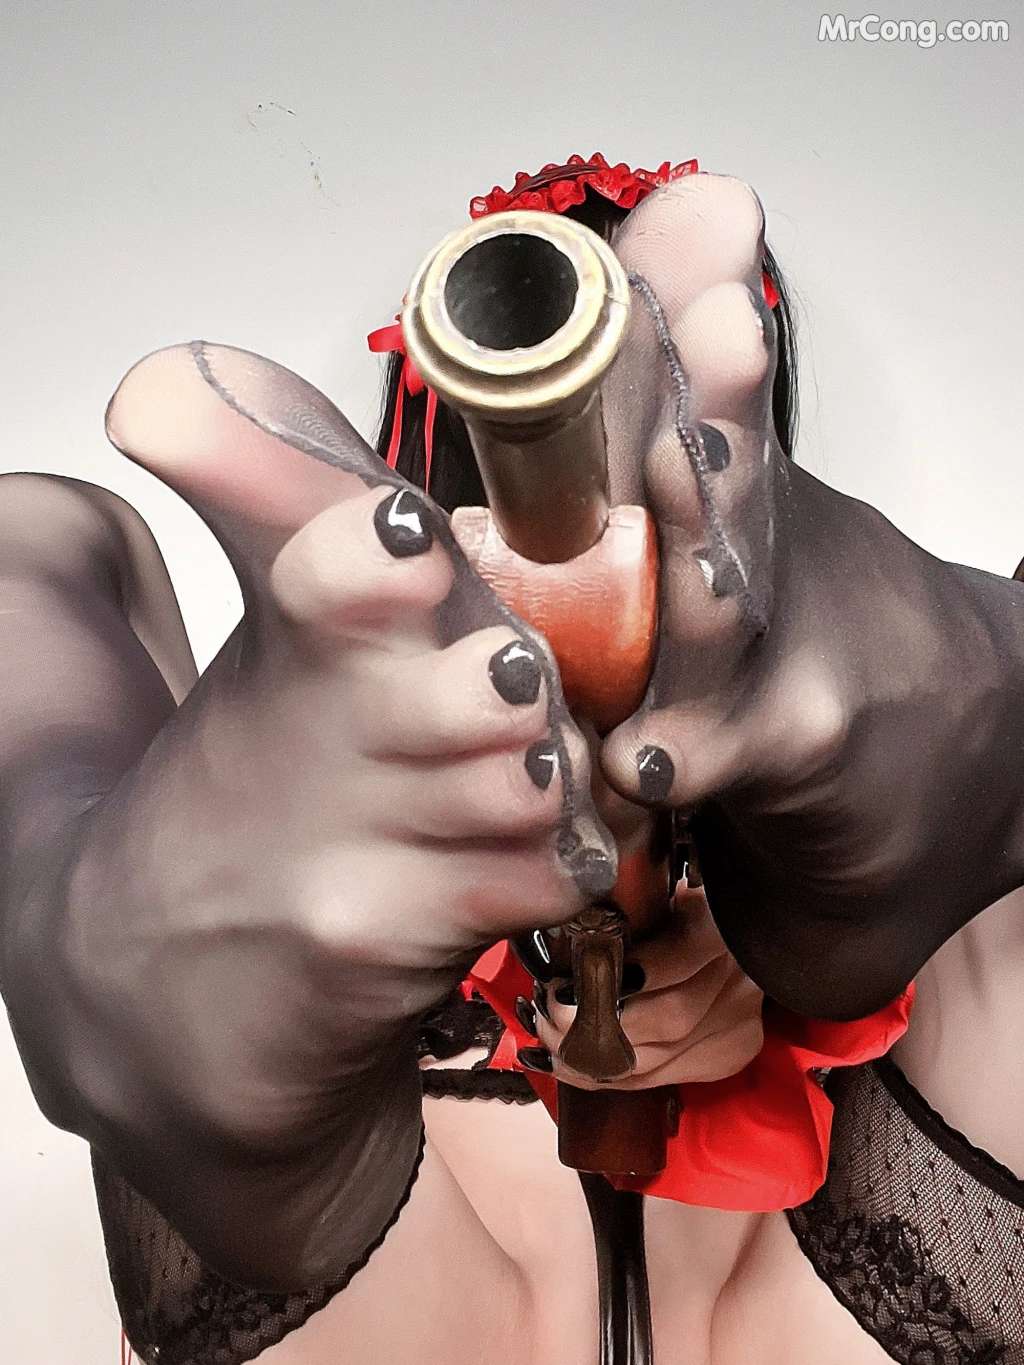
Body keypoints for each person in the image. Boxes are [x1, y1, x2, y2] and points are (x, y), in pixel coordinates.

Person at [1, 155, 1023, 1365]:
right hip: (420, 1167)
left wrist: (769, 954)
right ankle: (187, 969)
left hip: (541, 1229)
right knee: (32, 551)